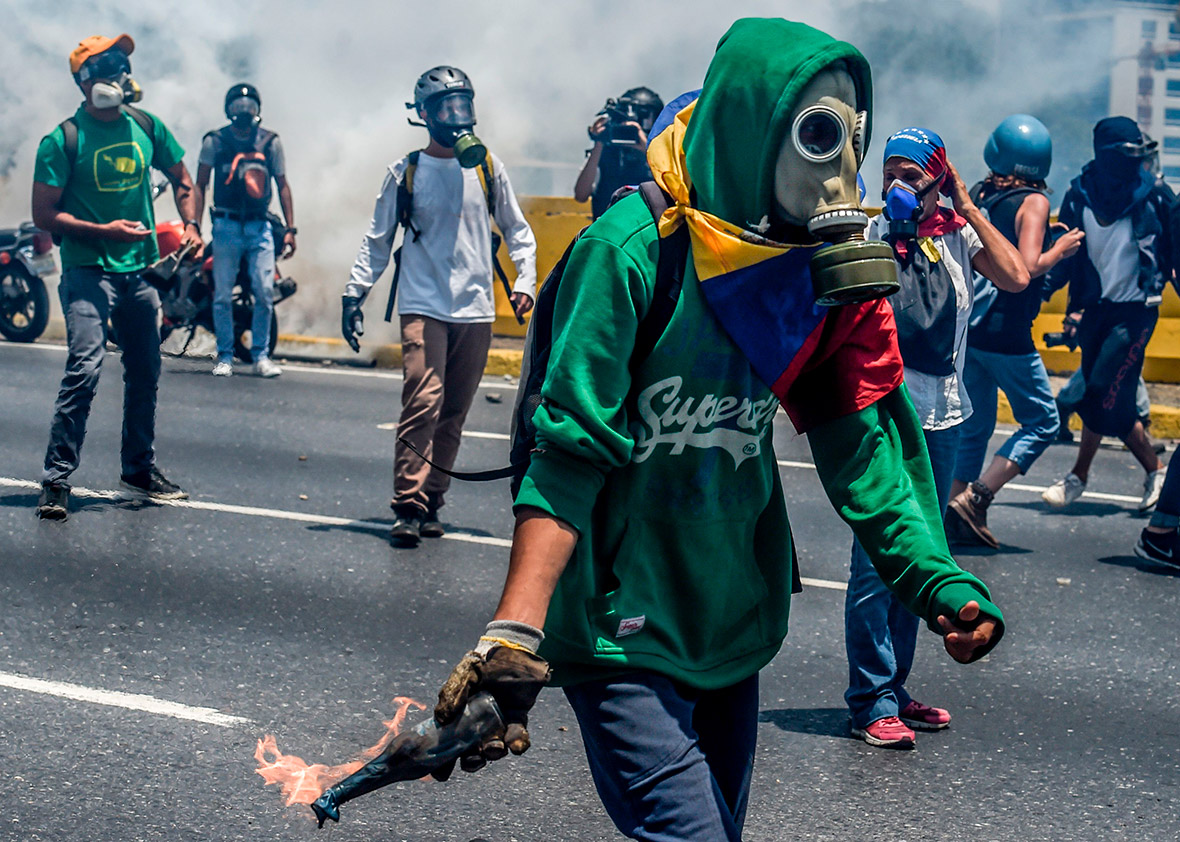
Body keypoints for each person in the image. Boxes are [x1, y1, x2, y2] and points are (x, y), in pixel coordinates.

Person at [424, 20, 1004, 840]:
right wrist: (513, 635)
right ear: (748, 128)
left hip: (730, 618)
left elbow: (864, 442)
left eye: (852, 140)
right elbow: (568, 451)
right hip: (619, 626)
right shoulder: (630, 252)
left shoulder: (813, 271)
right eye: (816, 136)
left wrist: (937, 583)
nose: (841, 172)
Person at [843, 127, 1026, 748]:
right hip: (884, 417)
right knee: (875, 566)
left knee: (925, 562)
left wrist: (965, 205)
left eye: (913, 171)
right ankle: (870, 700)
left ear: (938, 177)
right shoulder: (871, 234)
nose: (900, 181)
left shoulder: (956, 233)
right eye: (891, 168)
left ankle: (896, 686)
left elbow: (1017, 276)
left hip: (945, 414)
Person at [341, 66, 537, 547]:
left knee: (453, 412)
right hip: (424, 303)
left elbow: (517, 229)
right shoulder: (406, 171)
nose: (457, 117)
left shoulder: (487, 166)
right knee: (422, 402)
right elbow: (378, 239)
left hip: (476, 308)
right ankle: (407, 504)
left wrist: (526, 279)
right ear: (424, 115)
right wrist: (354, 293)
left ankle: (433, 502)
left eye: (463, 106)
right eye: (446, 108)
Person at [31, 34, 203, 521]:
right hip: (88, 271)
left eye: (122, 62)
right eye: (106, 64)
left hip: (141, 274)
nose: (118, 72)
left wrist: (192, 224)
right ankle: (57, 478)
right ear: (83, 81)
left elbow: (183, 178)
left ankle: (138, 469)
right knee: (84, 367)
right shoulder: (63, 139)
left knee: (146, 369)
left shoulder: (146, 125)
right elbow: (43, 214)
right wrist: (101, 230)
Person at [946, 115, 1084, 548]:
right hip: (1008, 334)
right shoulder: (1036, 203)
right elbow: (1024, 267)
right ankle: (977, 497)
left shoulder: (985, 195)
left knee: (974, 426)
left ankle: (948, 513)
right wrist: (1058, 251)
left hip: (974, 329)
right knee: (1043, 420)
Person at [1041, 117, 1174, 512]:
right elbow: (1067, 257)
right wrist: (1040, 296)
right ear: (1109, 156)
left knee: (1100, 392)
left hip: (1136, 312)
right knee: (1107, 400)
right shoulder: (1080, 194)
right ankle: (1130, 473)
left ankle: (1101, 474)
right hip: (1096, 311)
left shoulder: (1159, 198)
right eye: (1130, 155)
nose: (1138, 163)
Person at [195, 83, 295, 378]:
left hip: (259, 225)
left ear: (258, 109)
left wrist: (290, 229)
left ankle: (261, 355)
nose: (243, 111)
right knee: (222, 294)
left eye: (249, 106)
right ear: (228, 110)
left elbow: (283, 184)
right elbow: (200, 185)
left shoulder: (270, 142)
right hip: (225, 226)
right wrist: (196, 228)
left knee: (264, 293)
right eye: (238, 107)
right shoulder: (215, 141)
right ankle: (225, 355)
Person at [573, 87, 663, 220]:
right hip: (608, 230)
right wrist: (600, 141)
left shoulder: (660, 154)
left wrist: (645, 147)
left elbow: (673, 181)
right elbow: (581, 195)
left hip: (647, 231)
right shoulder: (606, 151)